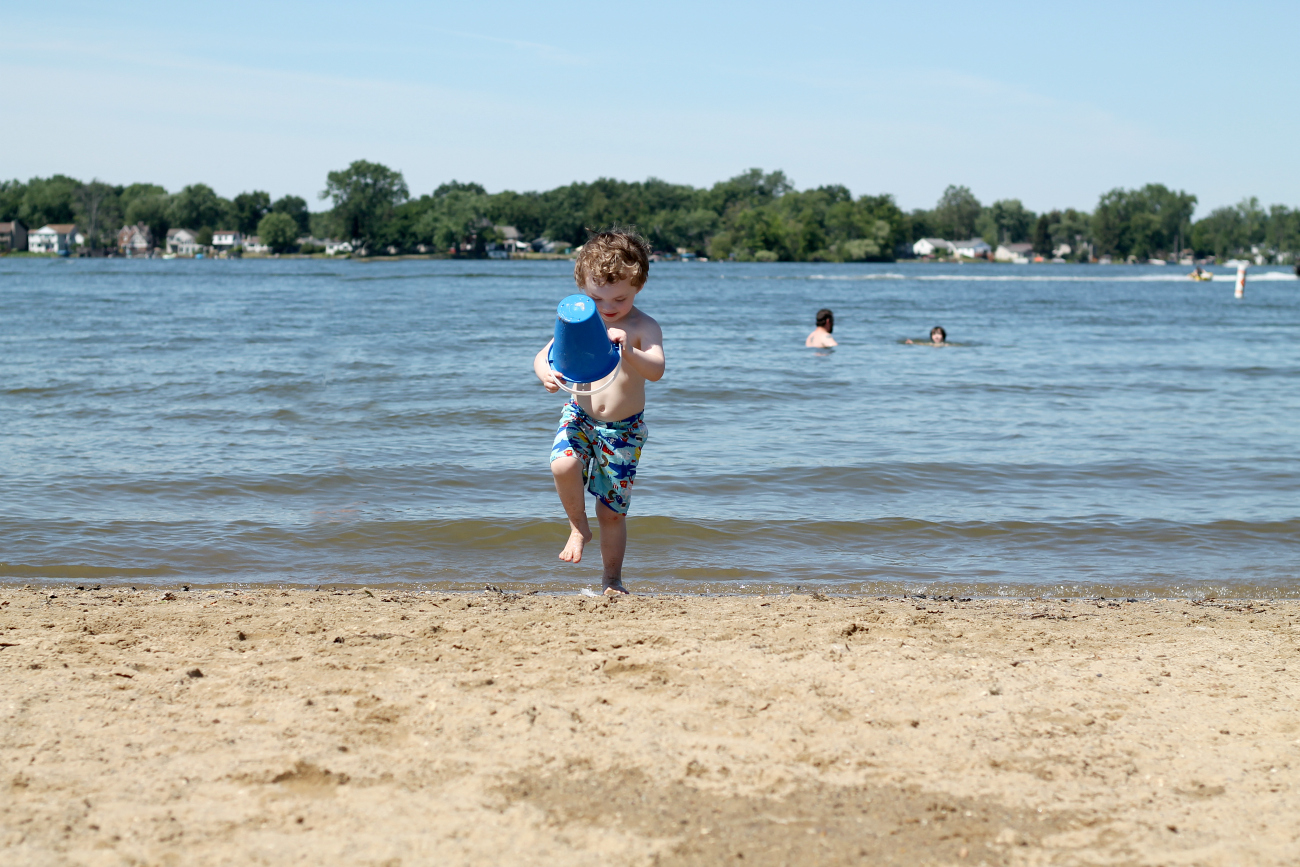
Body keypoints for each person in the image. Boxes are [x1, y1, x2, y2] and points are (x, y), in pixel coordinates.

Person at [533, 229, 665, 596]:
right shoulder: (581, 325)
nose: (608, 307)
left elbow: (656, 369)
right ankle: (578, 527)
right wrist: (546, 373)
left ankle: (612, 580)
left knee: (612, 512)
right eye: (596, 298)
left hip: (622, 429)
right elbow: (544, 354)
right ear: (582, 289)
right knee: (562, 464)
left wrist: (630, 352)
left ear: (638, 287)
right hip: (580, 414)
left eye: (619, 299)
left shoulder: (642, 327)